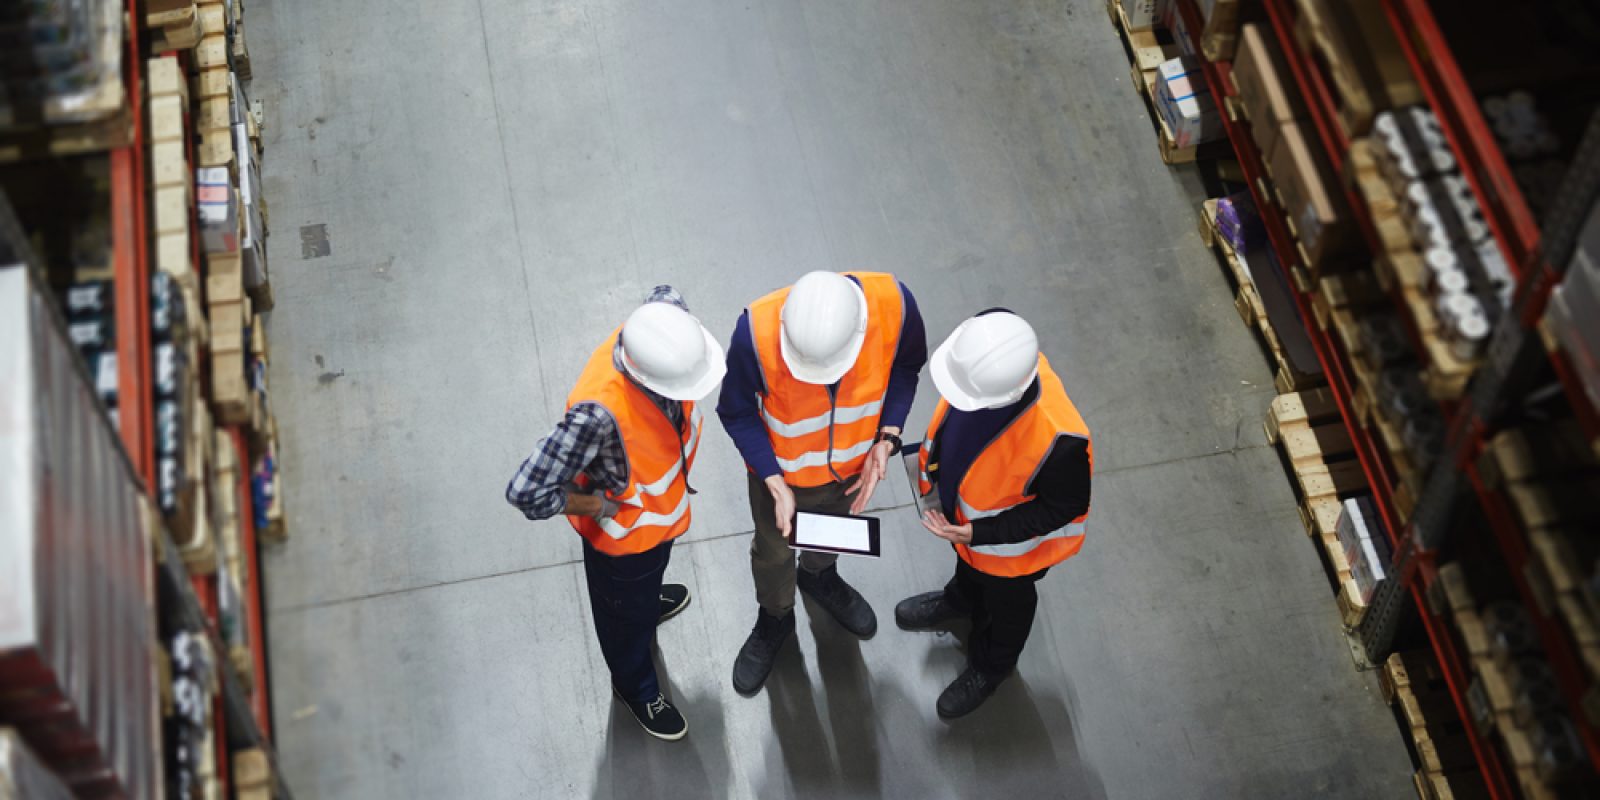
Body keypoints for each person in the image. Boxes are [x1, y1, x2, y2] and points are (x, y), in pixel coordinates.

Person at [505, 287, 725, 741]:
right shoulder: (597, 416)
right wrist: (596, 505)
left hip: (659, 525)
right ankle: (634, 685)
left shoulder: (664, 318)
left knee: (642, 593)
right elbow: (526, 490)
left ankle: (644, 607)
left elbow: (666, 291)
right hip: (623, 546)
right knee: (623, 619)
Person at [717, 270, 927, 694]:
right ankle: (775, 615)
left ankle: (819, 575)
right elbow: (736, 411)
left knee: (831, 533)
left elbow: (907, 366)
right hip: (780, 477)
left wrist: (887, 437)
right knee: (774, 551)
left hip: (853, 466)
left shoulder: (895, 307)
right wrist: (772, 480)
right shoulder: (754, 332)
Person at [896, 310, 1092, 719]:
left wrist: (981, 532)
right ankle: (961, 600)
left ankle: (992, 665)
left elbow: (1065, 506)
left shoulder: (1061, 441)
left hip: (1010, 554)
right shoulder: (990, 356)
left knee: (1009, 605)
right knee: (970, 572)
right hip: (967, 529)